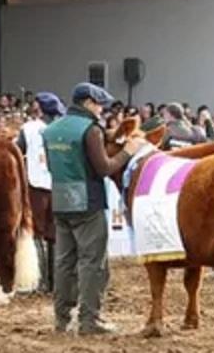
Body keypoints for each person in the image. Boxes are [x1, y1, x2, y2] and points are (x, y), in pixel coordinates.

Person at [45, 83, 141, 335]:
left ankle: (61, 319)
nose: (101, 109)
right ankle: (90, 320)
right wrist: (128, 152)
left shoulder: (51, 129)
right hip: (87, 201)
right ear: (88, 102)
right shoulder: (90, 129)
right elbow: (105, 168)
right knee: (92, 263)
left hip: (60, 199)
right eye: (99, 104)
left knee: (64, 261)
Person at [12, 92, 63, 293]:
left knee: (36, 231)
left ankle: (38, 279)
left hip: (35, 184)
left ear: (39, 109)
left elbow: (17, 150)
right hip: (58, 184)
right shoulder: (61, 128)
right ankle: (55, 282)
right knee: (54, 232)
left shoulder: (30, 128)